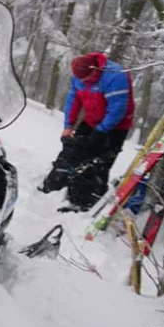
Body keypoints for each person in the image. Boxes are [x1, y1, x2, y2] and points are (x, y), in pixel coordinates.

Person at [39, 52, 135, 211]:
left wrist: (101, 131)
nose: (83, 82)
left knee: (97, 163)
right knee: (71, 152)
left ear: (95, 70)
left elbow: (118, 108)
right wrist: (68, 126)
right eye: (80, 80)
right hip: (91, 120)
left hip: (116, 127)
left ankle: (86, 201)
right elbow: (73, 100)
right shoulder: (79, 76)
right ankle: (54, 186)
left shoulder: (115, 76)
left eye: (86, 79)